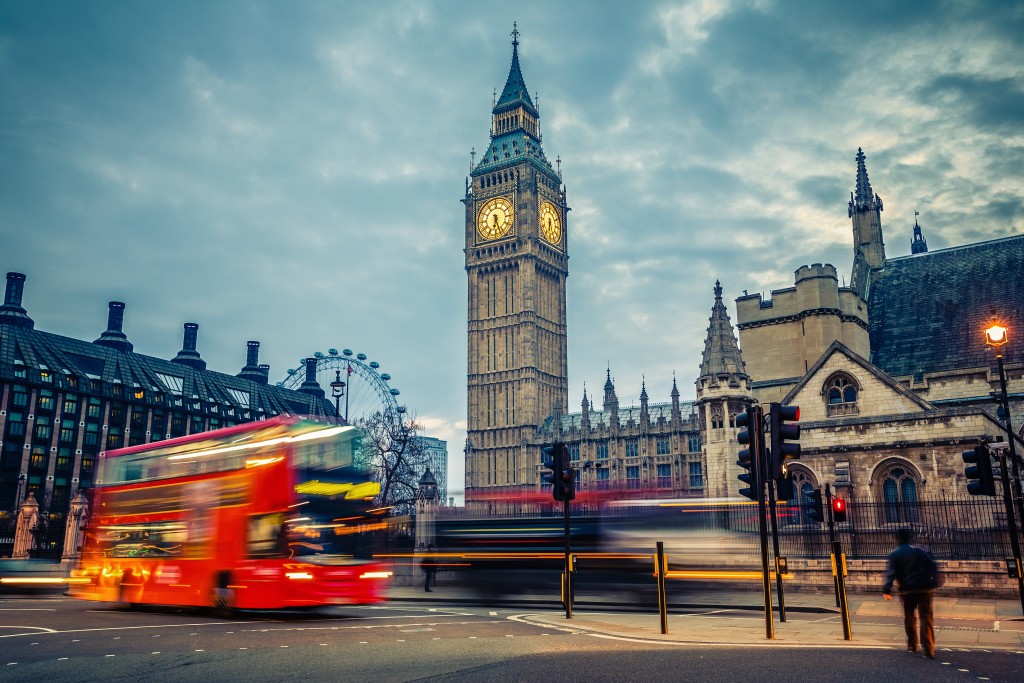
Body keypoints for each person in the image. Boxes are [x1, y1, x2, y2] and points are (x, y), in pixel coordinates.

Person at [883, 528, 940, 658]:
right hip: (924, 589)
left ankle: (913, 645)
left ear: (897, 539)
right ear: (910, 538)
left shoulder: (895, 554)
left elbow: (891, 573)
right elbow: (932, 565)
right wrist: (933, 581)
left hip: (907, 591)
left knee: (909, 616)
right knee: (926, 618)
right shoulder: (919, 551)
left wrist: (887, 589)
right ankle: (929, 649)